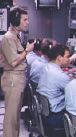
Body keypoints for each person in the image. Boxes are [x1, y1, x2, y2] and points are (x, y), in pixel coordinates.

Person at [0, 6, 34, 137]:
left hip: (18, 79)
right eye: (25, 19)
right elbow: (13, 61)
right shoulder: (8, 38)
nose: (28, 22)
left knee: (15, 118)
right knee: (10, 119)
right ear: (16, 20)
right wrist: (27, 51)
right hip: (13, 79)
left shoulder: (16, 36)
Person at [36, 44, 71, 137]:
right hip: (56, 116)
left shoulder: (46, 67)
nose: (69, 59)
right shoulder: (60, 76)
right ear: (59, 57)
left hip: (44, 112)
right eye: (67, 56)